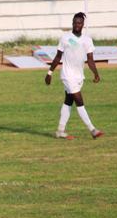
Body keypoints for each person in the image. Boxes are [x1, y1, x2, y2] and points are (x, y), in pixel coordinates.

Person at [44, 12, 104, 140]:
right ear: (72, 23)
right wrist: (50, 73)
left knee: (68, 101)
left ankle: (60, 131)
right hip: (67, 75)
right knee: (79, 101)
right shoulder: (65, 38)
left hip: (79, 77)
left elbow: (90, 60)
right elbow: (58, 57)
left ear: (83, 24)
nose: (77, 25)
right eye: (75, 23)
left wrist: (96, 74)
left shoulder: (87, 40)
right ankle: (92, 130)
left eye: (80, 23)